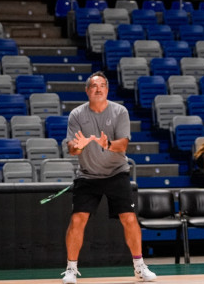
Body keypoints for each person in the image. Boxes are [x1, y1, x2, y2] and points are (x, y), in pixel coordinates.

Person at [61, 71, 156, 284]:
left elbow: (123, 145)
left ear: (107, 89)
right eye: (94, 86)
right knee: (78, 219)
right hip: (88, 175)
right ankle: (70, 269)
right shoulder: (76, 114)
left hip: (116, 173)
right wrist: (78, 146)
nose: (98, 89)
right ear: (87, 90)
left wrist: (106, 144)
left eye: (102, 85)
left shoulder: (119, 111)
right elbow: (71, 149)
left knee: (129, 218)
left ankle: (140, 267)